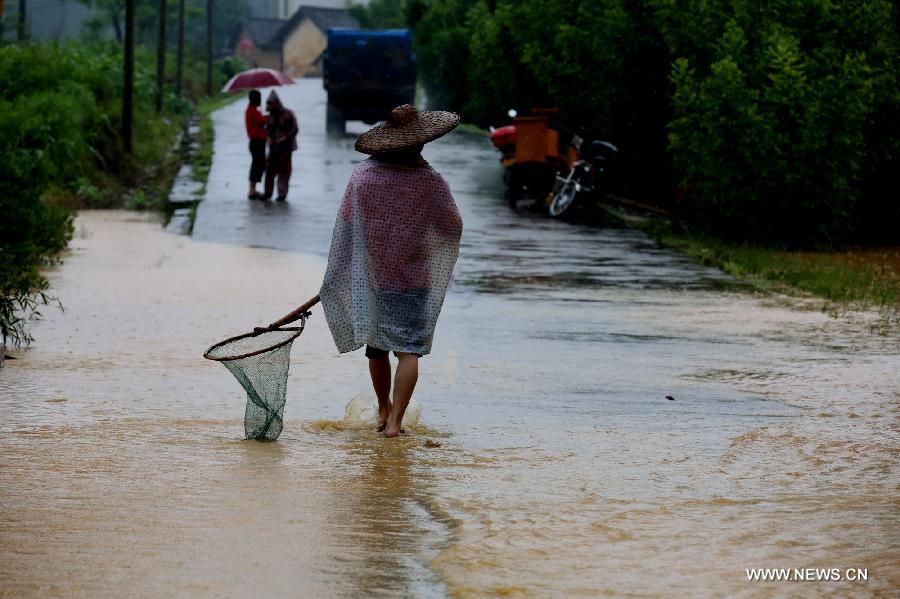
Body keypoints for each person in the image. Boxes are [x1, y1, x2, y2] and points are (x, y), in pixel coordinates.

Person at [319, 104, 463, 437]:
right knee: (409, 349)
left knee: (377, 345)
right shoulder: (431, 182)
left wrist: (341, 272)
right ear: (420, 143)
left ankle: (383, 409)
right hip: (415, 280)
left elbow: (347, 226)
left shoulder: (363, 177)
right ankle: (396, 423)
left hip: (373, 280)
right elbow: (450, 225)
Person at [262, 90, 298, 202]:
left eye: (271, 103)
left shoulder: (288, 114)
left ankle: (282, 193)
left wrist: (285, 137)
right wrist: (267, 138)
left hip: (286, 148)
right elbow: (266, 131)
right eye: (268, 104)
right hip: (273, 147)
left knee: (284, 171)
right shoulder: (269, 117)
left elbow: (295, 129)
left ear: (277, 103)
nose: (270, 106)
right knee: (269, 171)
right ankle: (268, 193)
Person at [245, 90, 267, 200]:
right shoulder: (252, 111)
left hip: (258, 142)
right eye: (259, 98)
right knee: (257, 165)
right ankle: (252, 190)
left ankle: (252, 189)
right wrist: (264, 118)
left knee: (258, 164)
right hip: (257, 142)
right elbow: (262, 122)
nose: (260, 101)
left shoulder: (253, 110)